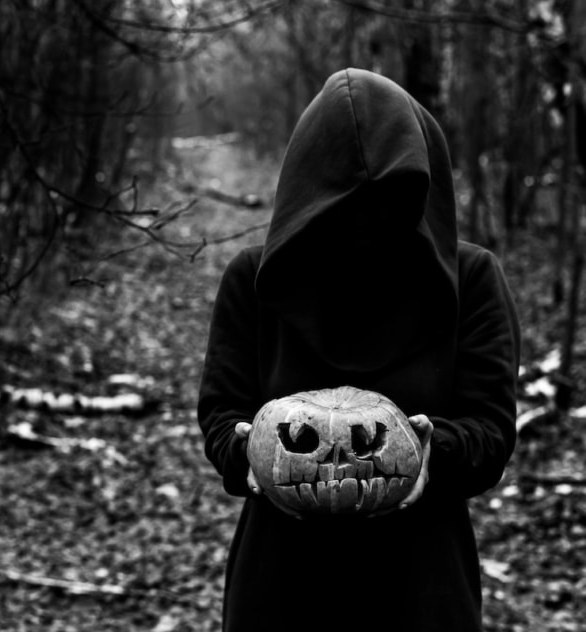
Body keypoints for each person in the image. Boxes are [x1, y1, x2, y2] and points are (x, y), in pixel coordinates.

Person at [197, 68, 520, 632]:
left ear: (423, 189)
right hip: (282, 589)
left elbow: (491, 429)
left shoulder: (471, 279)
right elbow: (222, 413)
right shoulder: (255, 280)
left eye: (389, 199)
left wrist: (430, 451)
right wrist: (245, 455)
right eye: (346, 203)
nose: (367, 224)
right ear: (309, 192)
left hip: (420, 589)